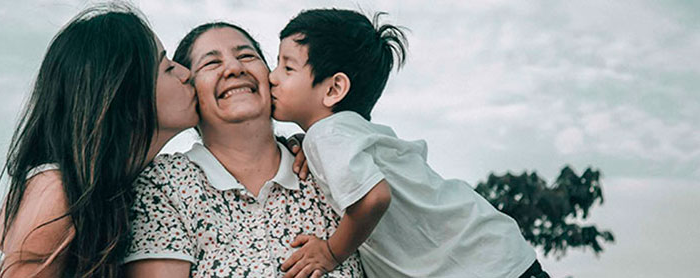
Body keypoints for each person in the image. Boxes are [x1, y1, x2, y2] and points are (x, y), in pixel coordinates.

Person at [269, 8, 548, 278]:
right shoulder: (344, 134)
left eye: (287, 67)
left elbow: (374, 198)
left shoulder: (327, 136)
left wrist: (331, 252)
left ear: (334, 89)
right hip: (495, 255)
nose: (272, 77)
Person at [123, 22, 366, 278]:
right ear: (190, 89)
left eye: (246, 56)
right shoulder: (163, 186)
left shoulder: (331, 169)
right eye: (211, 63)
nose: (234, 68)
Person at [0, 4, 198, 278]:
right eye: (167, 67)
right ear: (126, 95)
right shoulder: (56, 190)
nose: (185, 73)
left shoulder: (130, 191)